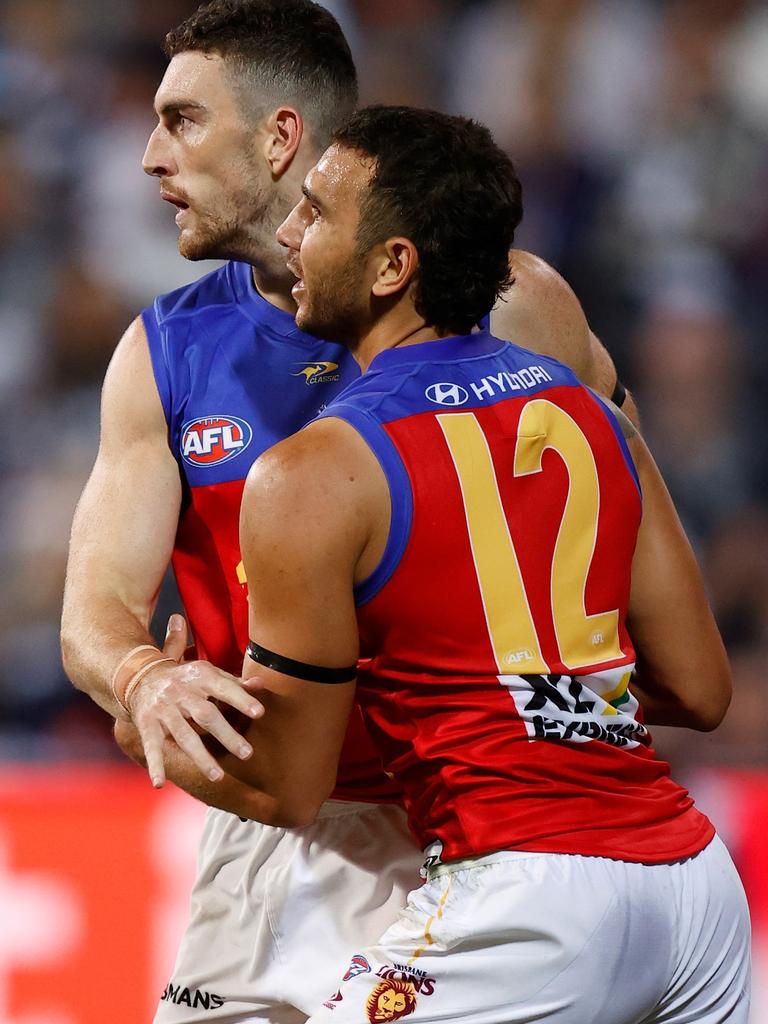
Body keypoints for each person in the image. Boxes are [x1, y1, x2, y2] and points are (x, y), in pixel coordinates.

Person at [61, 2, 634, 1022]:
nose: (150, 155)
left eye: (183, 120)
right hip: (272, 832)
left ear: (281, 137)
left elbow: (627, 522)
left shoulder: (515, 307)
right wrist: (145, 680)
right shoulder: (164, 355)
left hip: (472, 821)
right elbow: (95, 608)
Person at [217, 104, 749, 1022]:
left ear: (393, 265)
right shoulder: (595, 414)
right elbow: (700, 688)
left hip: (523, 896)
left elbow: (288, 784)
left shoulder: (313, 472)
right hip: (694, 896)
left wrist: (150, 714)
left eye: (314, 211)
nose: (289, 233)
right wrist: (539, 688)